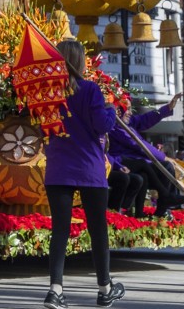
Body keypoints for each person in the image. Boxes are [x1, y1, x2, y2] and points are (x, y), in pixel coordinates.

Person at [42, 38, 123, 308]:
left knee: (60, 231)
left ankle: (55, 290)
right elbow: (102, 125)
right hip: (89, 168)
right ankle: (104, 288)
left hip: (58, 168)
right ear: (79, 61)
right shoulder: (90, 90)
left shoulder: (48, 93)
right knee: (98, 230)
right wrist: (112, 111)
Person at [107, 93, 184, 217]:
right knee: (164, 166)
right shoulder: (115, 128)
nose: (130, 113)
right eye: (127, 109)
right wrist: (163, 157)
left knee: (156, 169)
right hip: (121, 161)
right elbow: (138, 145)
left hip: (135, 161)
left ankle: (162, 206)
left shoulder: (127, 122)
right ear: (117, 112)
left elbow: (143, 120)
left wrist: (167, 109)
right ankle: (165, 199)